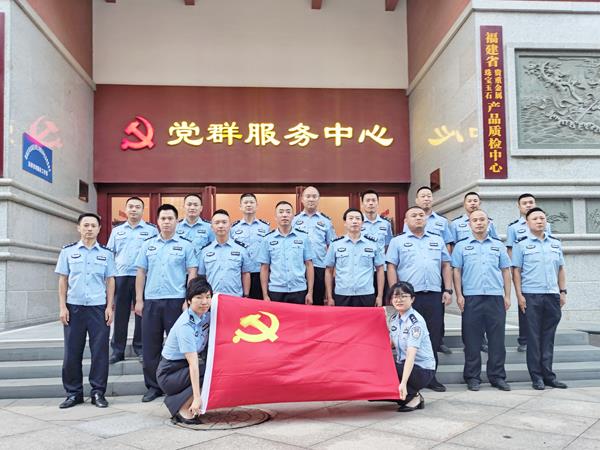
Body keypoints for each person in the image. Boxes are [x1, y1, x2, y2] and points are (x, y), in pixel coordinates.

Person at [135, 204, 198, 403]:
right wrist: (139, 300)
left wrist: (188, 300)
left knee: (178, 346)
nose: (167, 222)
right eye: (163, 218)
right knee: (150, 346)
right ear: (157, 221)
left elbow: (192, 272)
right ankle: (153, 387)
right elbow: (141, 272)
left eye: (170, 218)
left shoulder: (186, 245)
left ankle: (176, 385)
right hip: (151, 301)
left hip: (176, 301)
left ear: (177, 221)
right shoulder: (147, 245)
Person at [387, 206, 452, 392]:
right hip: (408, 297)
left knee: (433, 336)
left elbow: (446, 265)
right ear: (405, 221)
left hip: (433, 294)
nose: (418, 218)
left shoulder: (437, 240)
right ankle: (407, 376)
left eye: (421, 215)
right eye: (413, 215)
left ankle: (431, 377)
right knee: (405, 336)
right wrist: (395, 293)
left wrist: (448, 289)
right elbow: (391, 267)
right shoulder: (397, 241)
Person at [55, 213, 116, 409]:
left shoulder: (106, 254)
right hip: (74, 307)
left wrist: (109, 306)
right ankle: (73, 393)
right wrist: (62, 307)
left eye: (93, 225)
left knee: (100, 352)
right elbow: (63, 280)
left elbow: (110, 280)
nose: (89, 229)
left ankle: (98, 392)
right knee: (72, 352)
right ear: (78, 228)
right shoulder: (68, 252)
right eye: (86, 225)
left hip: (98, 308)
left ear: (99, 229)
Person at [452, 210, 511, 392]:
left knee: (497, 340)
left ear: (488, 222)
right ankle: (472, 377)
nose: (479, 223)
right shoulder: (461, 246)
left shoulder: (498, 245)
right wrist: (459, 295)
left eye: (482, 219)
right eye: (475, 220)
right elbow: (456, 271)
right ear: (469, 224)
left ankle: (497, 376)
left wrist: (507, 296)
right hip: (471, 297)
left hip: (495, 297)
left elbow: (505, 270)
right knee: (472, 340)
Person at [511, 207, 568, 390]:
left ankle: (549, 375)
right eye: (535, 218)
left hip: (552, 295)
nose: (539, 221)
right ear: (527, 223)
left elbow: (561, 269)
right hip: (531, 295)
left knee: (548, 337)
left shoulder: (555, 243)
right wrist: (519, 295)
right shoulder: (521, 244)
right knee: (534, 338)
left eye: (542, 218)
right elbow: (516, 271)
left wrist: (563, 291)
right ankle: (536, 377)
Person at [404, 186, 454, 355]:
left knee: (437, 314)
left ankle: (438, 341)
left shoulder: (441, 221)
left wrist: (447, 282)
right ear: (417, 200)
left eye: (428, 196)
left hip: (435, 272)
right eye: (422, 196)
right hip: (414, 280)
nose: (426, 198)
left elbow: (448, 246)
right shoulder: (409, 221)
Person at [107, 196, 157, 364]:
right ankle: (117, 350)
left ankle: (140, 348)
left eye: (137, 207)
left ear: (143, 210)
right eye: (131, 206)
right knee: (120, 314)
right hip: (121, 277)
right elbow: (110, 254)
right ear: (126, 209)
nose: (134, 209)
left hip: (142, 277)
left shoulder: (151, 230)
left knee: (142, 313)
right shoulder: (117, 231)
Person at [157, 276, 212, 425]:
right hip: (169, 373)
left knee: (210, 370)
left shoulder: (206, 316)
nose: (204, 302)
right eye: (199, 297)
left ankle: (176, 402)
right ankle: (183, 409)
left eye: (208, 297)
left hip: (182, 369)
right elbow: (193, 365)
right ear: (188, 300)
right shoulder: (185, 325)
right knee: (208, 373)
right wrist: (197, 398)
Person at [506, 193, 552, 353]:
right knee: (524, 306)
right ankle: (524, 340)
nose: (528, 205)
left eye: (531, 202)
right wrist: (515, 268)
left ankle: (540, 340)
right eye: (524, 203)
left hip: (541, 272)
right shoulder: (513, 227)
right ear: (519, 207)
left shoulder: (546, 225)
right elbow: (510, 249)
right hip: (524, 272)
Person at [387, 282, 436, 412]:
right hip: (404, 366)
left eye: (403, 296)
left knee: (387, 369)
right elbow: (390, 344)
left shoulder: (415, 322)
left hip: (421, 370)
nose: (399, 300)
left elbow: (411, 355)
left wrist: (403, 383)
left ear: (412, 299)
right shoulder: (394, 319)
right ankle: (407, 395)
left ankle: (413, 396)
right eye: (395, 296)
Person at [324, 208, 384, 307]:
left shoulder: (372, 243)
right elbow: (329, 270)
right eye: (351, 218)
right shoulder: (335, 244)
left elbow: (380, 269)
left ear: (362, 223)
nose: (354, 221)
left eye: (358, 218)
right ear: (345, 223)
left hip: (366, 294)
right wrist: (329, 296)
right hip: (342, 294)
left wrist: (380, 296)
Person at [257, 200, 315, 304]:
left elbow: (309, 265)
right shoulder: (267, 239)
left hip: (299, 290)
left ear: (293, 216)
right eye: (281, 212)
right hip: (276, 290)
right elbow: (264, 268)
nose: (284, 215)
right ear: (275, 216)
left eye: (288, 212)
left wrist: (310, 292)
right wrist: (265, 295)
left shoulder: (303, 237)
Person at [291, 186, 336, 305]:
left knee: (317, 302)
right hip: (298, 267)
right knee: (298, 302)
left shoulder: (326, 221)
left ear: (318, 199)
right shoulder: (294, 220)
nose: (311, 199)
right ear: (302, 199)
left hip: (319, 266)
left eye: (314, 196)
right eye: (308, 196)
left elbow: (332, 246)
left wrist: (330, 269)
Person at [198, 209, 252, 297]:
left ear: (230, 225)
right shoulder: (205, 251)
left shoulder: (241, 249)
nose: (221, 226)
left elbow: (245, 273)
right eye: (217, 223)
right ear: (212, 227)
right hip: (212, 297)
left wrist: (246, 295)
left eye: (224, 222)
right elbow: (202, 276)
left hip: (235, 297)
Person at [230, 193, 270, 299]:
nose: (249, 205)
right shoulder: (233, 228)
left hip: (259, 272)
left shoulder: (265, 227)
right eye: (246, 202)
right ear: (240, 206)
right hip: (241, 273)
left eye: (251, 202)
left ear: (257, 206)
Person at [360, 190, 393, 303]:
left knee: (381, 302)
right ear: (362, 204)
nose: (371, 203)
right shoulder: (358, 222)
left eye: (373, 200)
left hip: (381, 269)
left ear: (378, 203)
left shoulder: (386, 224)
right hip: (363, 269)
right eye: (367, 200)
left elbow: (387, 246)